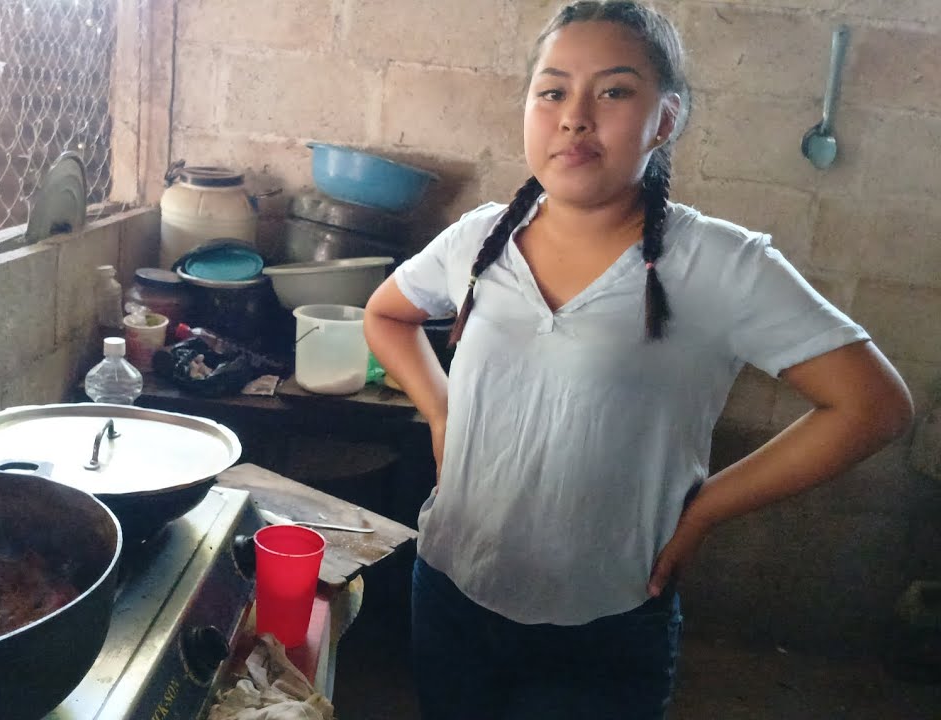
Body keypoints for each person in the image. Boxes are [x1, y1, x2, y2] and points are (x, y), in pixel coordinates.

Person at [362, 2, 915, 718]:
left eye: (615, 91)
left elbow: (873, 406)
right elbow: (387, 314)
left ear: (667, 118)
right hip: (450, 589)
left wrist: (707, 507)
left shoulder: (722, 264)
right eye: (553, 90)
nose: (575, 116)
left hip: (607, 621)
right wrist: (442, 413)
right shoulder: (480, 238)